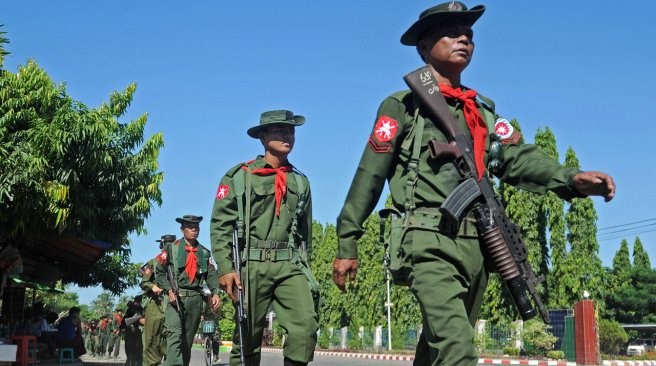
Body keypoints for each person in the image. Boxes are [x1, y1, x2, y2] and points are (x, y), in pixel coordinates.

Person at [332, 2, 616, 365]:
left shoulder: (482, 110)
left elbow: (517, 156)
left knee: (440, 347)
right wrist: (347, 240)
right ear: (423, 46)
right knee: (456, 348)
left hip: (479, 244)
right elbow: (369, 173)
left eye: (469, 33)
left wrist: (570, 179)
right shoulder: (403, 106)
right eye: (451, 31)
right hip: (427, 239)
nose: (464, 38)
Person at [211, 110, 319, 366]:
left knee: (305, 326)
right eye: (279, 130)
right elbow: (220, 226)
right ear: (262, 137)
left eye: (291, 131)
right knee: (246, 337)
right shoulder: (239, 176)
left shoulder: (301, 182)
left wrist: (306, 269)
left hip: (289, 264)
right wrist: (226, 268)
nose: (287, 136)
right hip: (251, 264)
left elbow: (306, 235)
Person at [154, 215, 221, 366]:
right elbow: (159, 272)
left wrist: (215, 292)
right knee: (175, 336)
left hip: (195, 301)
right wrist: (169, 289)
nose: (194, 230)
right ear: (182, 229)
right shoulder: (171, 248)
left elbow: (211, 275)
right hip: (175, 299)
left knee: (187, 342)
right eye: (190, 227)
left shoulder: (204, 253)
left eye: (196, 227)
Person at [141, 234, 176, 366]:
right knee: (152, 338)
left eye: (172, 243)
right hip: (156, 304)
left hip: (173, 303)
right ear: (162, 245)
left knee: (172, 336)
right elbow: (144, 282)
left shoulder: (179, 263)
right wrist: (153, 286)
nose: (169, 246)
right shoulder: (153, 263)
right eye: (166, 243)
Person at [123, 296, 144, 366]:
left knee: (138, 348)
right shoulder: (129, 310)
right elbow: (125, 321)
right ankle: (129, 361)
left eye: (138, 302)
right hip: (129, 330)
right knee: (129, 347)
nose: (137, 303)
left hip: (137, 330)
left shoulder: (141, 309)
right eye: (136, 301)